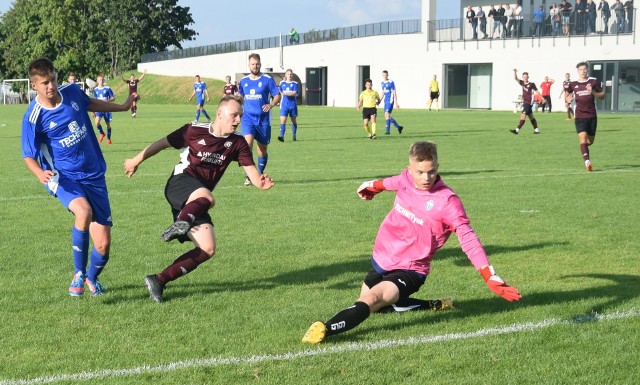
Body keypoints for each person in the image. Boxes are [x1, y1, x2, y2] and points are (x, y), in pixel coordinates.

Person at [301, 141, 522, 344]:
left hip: (411, 269)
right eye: (420, 172)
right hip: (383, 257)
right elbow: (390, 183)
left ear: (438, 166)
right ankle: (432, 304)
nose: (427, 178)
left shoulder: (447, 201)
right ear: (410, 169)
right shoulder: (406, 179)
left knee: (372, 299)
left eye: (432, 171)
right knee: (372, 306)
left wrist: (488, 275)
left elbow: (468, 238)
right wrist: (372, 187)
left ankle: (325, 329)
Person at [124, 95, 275, 303]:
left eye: (240, 116)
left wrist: (261, 183)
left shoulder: (238, 143)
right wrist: (135, 160)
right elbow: (161, 144)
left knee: (207, 248)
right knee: (208, 198)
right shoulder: (193, 130)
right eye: (234, 115)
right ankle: (181, 223)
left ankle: (158, 280)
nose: (238, 120)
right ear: (220, 113)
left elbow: (252, 172)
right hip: (180, 183)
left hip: (196, 201)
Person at [21, 57, 136, 297]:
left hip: (94, 175)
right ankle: (78, 273)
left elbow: (90, 103)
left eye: (52, 79)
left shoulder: (72, 92)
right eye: (44, 83)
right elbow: (28, 155)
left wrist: (124, 107)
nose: (50, 86)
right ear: (34, 86)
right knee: (83, 212)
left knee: (103, 246)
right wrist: (39, 172)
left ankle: (92, 279)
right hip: (63, 177)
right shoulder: (34, 116)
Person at [237, 53, 281, 186]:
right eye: (252, 64)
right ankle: (251, 175)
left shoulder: (267, 79)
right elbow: (239, 97)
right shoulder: (244, 82)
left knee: (262, 151)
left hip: (263, 120)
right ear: (249, 65)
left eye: (257, 64)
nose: (255, 66)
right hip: (248, 119)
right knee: (247, 145)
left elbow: (277, 95)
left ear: (260, 64)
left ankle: (260, 173)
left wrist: (271, 104)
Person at [563, 62, 605, 172]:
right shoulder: (573, 84)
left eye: (585, 69)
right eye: (580, 69)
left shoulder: (594, 81)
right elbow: (567, 95)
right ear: (577, 71)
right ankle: (587, 162)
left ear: (587, 70)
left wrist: (593, 92)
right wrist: (568, 99)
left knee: (589, 142)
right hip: (579, 116)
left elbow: (602, 96)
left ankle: (585, 150)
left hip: (592, 115)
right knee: (582, 139)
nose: (583, 71)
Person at [510, 69, 541, 135]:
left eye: (526, 77)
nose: (525, 78)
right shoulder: (522, 83)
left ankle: (517, 130)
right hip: (525, 102)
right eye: (523, 77)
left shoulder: (532, 84)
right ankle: (537, 130)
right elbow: (515, 78)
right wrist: (515, 72)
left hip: (529, 103)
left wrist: (542, 98)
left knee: (523, 116)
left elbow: (537, 91)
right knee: (531, 117)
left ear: (528, 77)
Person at [93, 74, 116, 144]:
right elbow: (94, 100)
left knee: (107, 125)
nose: (101, 81)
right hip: (98, 109)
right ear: (97, 81)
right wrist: (93, 110)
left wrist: (107, 101)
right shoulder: (95, 90)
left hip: (106, 108)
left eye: (102, 80)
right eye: (100, 80)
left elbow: (113, 98)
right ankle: (102, 133)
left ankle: (108, 139)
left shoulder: (107, 88)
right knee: (96, 123)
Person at [278, 69, 299, 142]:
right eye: (288, 74)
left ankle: (294, 134)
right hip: (284, 105)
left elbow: (294, 93)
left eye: (290, 74)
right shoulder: (282, 83)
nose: (289, 75)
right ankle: (281, 136)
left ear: (292, 75)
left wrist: (286, 93)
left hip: (292, 105)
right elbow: (279, 91)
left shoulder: (295, 83)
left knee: (293, 120)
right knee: (283, 120)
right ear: (285, 75)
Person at [380, 70, 403, 135]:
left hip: (390, 100)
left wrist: (396, 103)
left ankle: (387, 131)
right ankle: (399, 127)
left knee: (387, 114)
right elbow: (383, 92)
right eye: (383, 75)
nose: (385, 76)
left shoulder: (391, 82)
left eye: (386, 75)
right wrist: (379, 100)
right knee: (387, 116)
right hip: (385, 101)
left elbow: (394, 92)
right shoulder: (382, 83)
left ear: (388, 75)